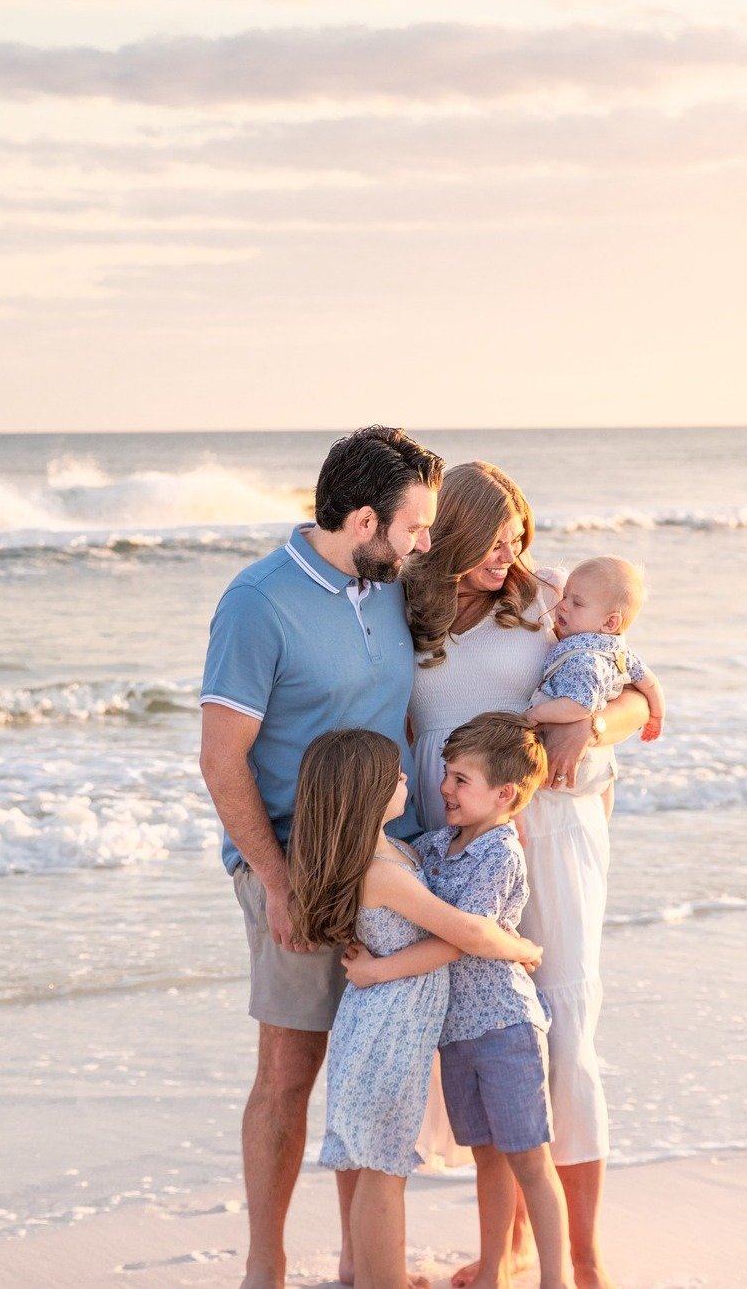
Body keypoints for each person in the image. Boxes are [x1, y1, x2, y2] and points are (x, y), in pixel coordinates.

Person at [199, 425, 443, 1289]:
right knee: (290, 1066)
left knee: (371, 1063)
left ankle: (360, 1265)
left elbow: (510, 582)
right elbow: (220, 759)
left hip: (388, 859)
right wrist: (274, 880)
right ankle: (264, 1265)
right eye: (414, 527)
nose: (423, 544)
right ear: (364, 517)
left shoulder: (385, 584)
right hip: (294, 864)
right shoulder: (256, 601)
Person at [402, 462, 649, 1289]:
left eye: (518, 539)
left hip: (551, 832)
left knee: (564, 1029)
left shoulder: (544, 599)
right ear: (449, 534)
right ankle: (502, 1248)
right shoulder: (405, 609)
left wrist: (594, 729)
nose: (509, 557)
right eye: (493, 541)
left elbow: (640, 691)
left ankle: (581, 1252)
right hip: (459, 848)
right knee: (485, 1034)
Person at [290, 727, 543, 1289]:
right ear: (369, 793)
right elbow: (464, 933)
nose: (410, 778)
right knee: (383, 1164)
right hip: (389, 1025)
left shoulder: (396, 852)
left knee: (374, 1155)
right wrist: (524, 948)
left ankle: (365, 1269)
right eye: (395, 774)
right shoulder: (383, 872)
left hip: (384, 1017)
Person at [347, 713, 572, 1289]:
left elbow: (455, 941)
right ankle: (494, 1269)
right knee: (488, 1158)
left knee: (528, 1158)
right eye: (447, 775)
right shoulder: (438, 845)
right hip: (456, 1032)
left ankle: (558, 1278)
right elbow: (390, 863)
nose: (444, 789)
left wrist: (379, 972)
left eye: (460, 780)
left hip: (503, 1026)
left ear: (504, 795)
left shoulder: (499, 855)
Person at [523, 555, 665, 822]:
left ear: (610, 623)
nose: (562, 606)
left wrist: (536, 715)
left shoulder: (583, 657)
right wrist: (657, 717)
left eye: (576, 603)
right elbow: (650, 682)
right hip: (597, 759)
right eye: (565, 596)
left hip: (569, 753)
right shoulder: (619, 650)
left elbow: (580, 706)